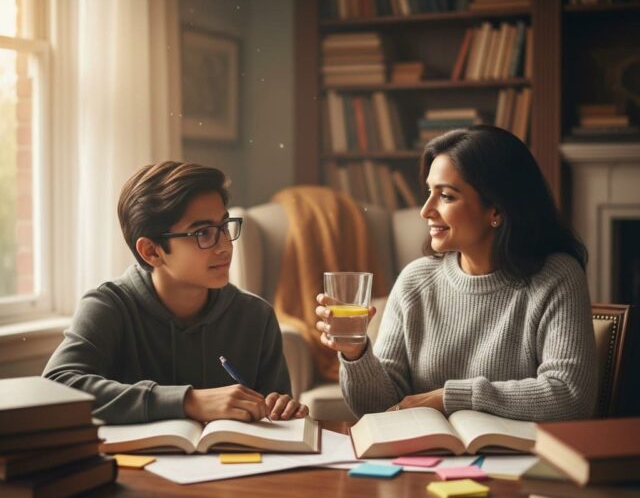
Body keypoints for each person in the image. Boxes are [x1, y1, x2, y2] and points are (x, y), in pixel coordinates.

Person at [315, 126, 597, 421]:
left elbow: (569, 395)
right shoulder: (415, 281)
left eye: (446, 196)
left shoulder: (557, 277)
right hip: (426, 460)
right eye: (429, 193)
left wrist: (448, 398)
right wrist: (356, 354)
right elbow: (381, 409)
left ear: (496, 210)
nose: (425, 210)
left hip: (517, 462)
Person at [44, 161, 307, 424]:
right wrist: (188, 401)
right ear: (151, 251)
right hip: (135, 464)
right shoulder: (109, 306)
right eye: (203, 233)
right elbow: (56, 386)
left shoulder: (256, 317)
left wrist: (281, 408)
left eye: (224, 227)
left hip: (238, 463)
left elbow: (277, 418)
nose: (225, 246)